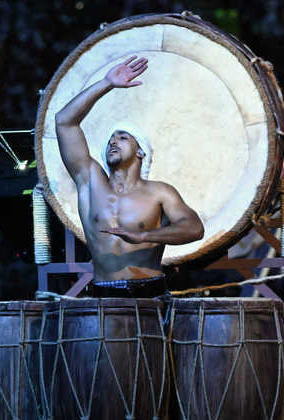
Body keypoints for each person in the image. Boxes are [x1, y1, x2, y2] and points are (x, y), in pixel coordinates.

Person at [55, 55, 204, 297]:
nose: (114, 141)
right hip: (103, 291)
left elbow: (194, 228)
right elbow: (64, 122)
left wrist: (145, 235)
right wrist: (106, 83)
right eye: (111, 139)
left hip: (150, 291)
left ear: (141, 151)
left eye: (123, 137)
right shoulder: (90, 181)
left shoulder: (160, 192)